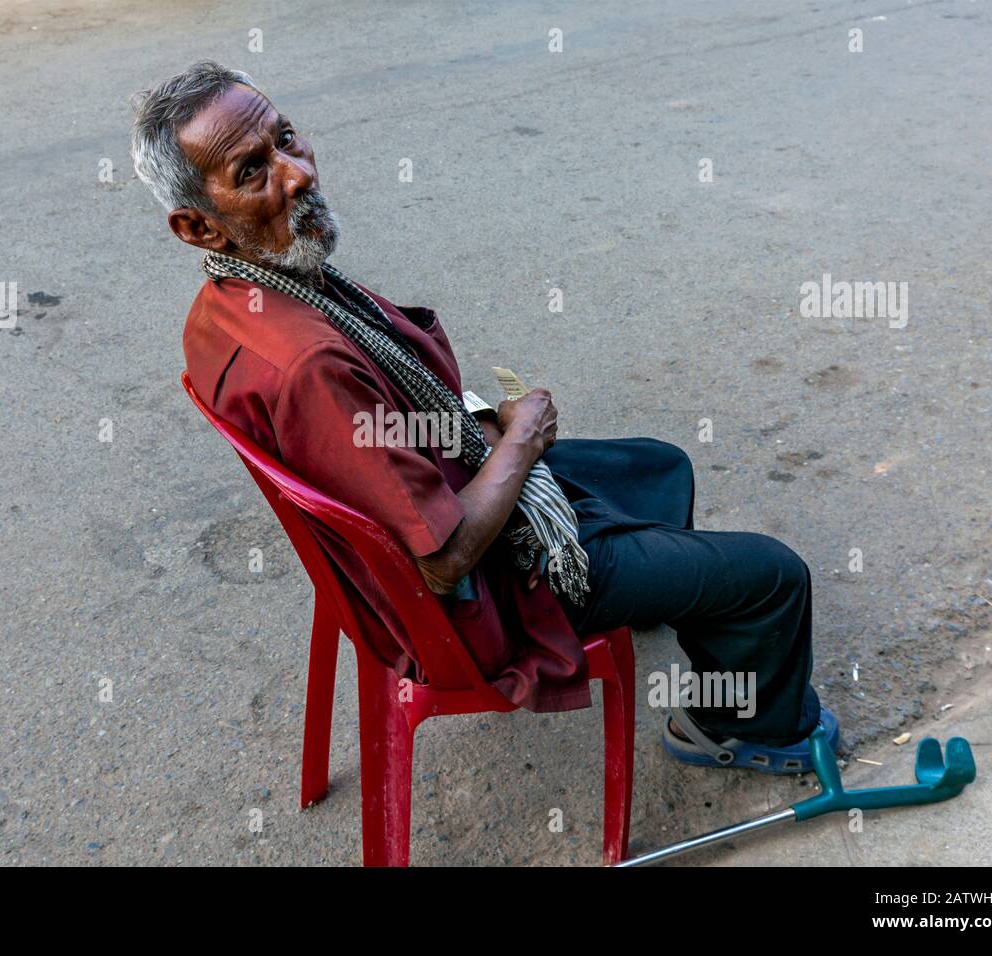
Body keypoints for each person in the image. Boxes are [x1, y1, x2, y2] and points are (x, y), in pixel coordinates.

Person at [131, 61, 840, 773]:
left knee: (661, 468)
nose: (297, 174)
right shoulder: (307, 363)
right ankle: (736, 731)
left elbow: (385, 428)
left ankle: (663, 593)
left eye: (286, 138)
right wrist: (520, 439)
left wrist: (488, 432)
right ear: (198, 227)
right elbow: (444, 561)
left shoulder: (236, 302)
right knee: (774, 578)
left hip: (446, 493)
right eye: (252, 171)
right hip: (486, 591)